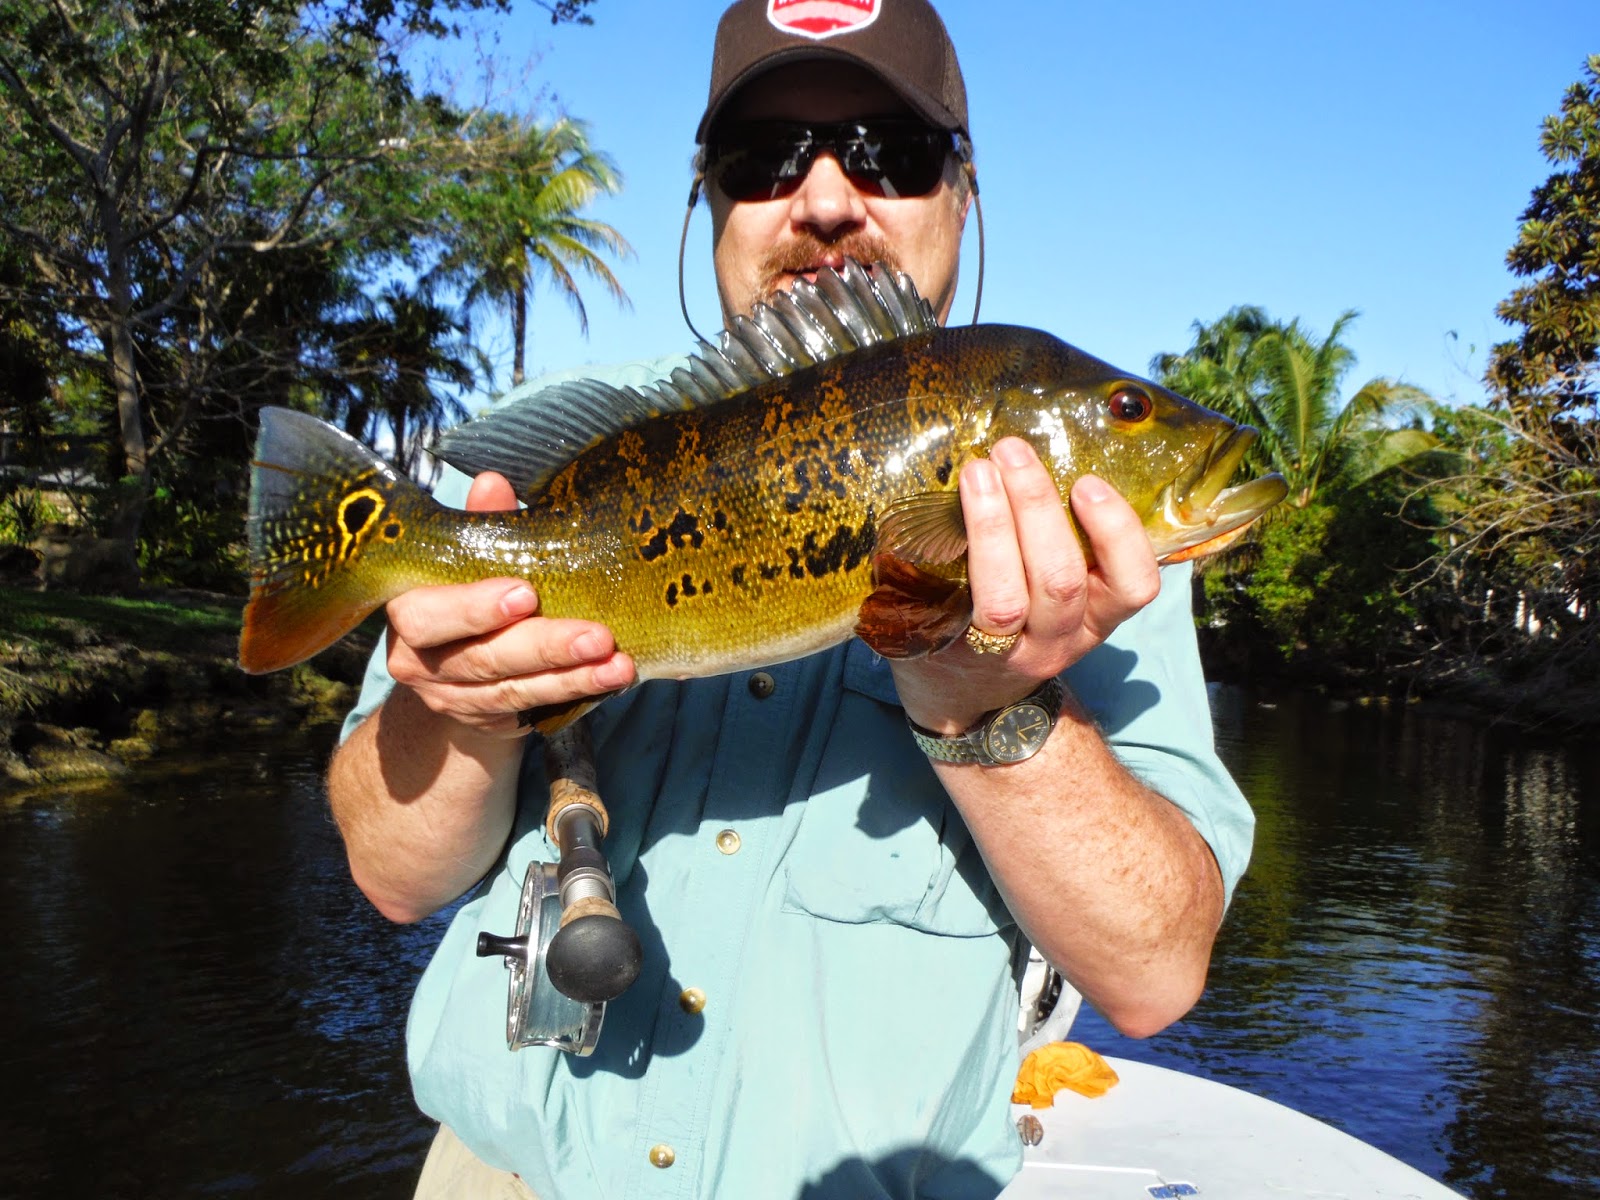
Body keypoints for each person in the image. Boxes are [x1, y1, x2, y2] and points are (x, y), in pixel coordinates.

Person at [327, 1, 1255, 1197]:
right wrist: (452, 707)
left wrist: (986, 698)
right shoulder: (527, 484)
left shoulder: (1098, 564)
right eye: (766, 157)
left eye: (889, 152)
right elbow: (392, 876)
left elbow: (1154, 972)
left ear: (962, 194)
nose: (824, 199)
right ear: (706, 199)